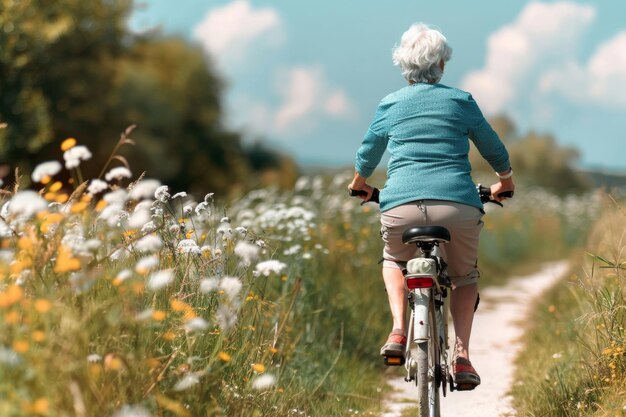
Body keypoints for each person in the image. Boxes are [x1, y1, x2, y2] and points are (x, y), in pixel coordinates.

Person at [348, 23, 515, 388]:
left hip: (400, 207)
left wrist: (359, 185)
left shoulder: (389, 104)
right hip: (458, 207)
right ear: (441, 64)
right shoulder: (461, 101)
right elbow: (493, 147)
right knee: (464, 277)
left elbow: (368, 153)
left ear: (403, 65)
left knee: (394, 260)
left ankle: (396, 332)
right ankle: (462, 356)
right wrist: (506, 181)